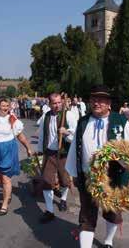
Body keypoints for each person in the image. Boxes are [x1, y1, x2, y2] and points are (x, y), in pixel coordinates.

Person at [66, 85, 129, 248]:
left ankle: (108, 241)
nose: (96, 102)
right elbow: (75, 148)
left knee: (112, 214)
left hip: (113, 179)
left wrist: (126, 163)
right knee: (87, 217)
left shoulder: (121, 122)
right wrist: (72, 173)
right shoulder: (83, 122)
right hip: (88, 177)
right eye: (93, 99)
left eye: (101, 99)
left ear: (109, 103)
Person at [37, 93, 77, 223]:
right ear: (49, 104)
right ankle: (49, 211)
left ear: (62, 102)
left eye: (59, 102)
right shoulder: (46, 117)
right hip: (50, 153)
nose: (57, 105)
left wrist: (66, 133)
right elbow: (42, 134)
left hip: (64, 153)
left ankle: (63, 199)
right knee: (47, 181)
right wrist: (39, 150)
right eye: (54, 103)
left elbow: (76, 135)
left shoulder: (69, 115)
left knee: (65, 181)